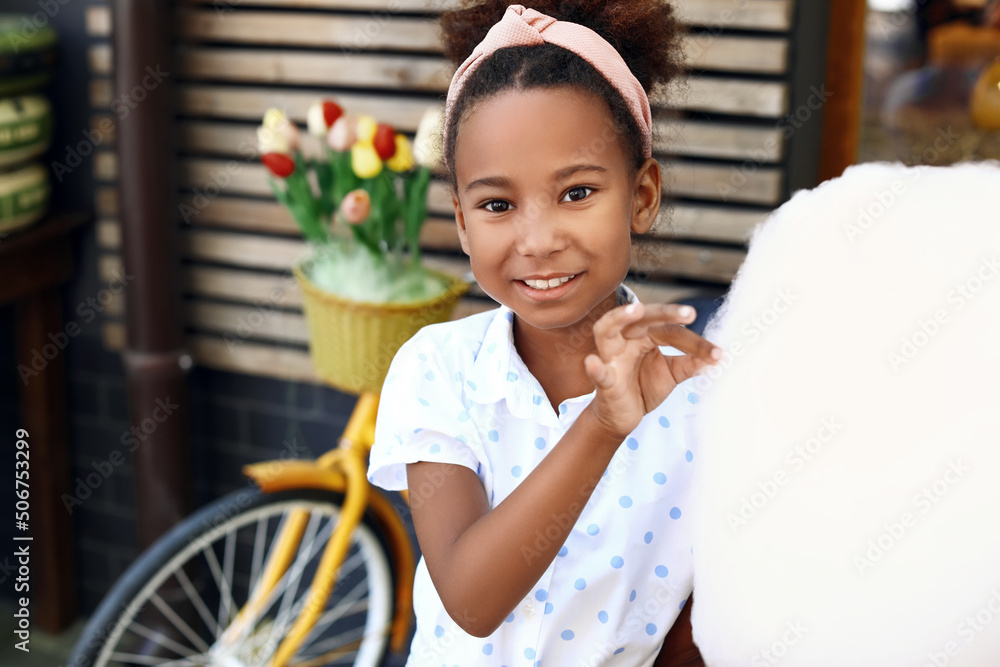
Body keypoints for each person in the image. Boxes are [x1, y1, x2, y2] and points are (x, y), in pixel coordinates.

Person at [367, 1, 723, 664]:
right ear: (464, 221)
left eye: (577, 192)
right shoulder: (438, 369)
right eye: (498, 204)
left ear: (641, 194)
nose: (538, 240)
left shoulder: (705, 398)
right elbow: (472, 599)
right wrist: (603, 425)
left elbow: (702, 619)